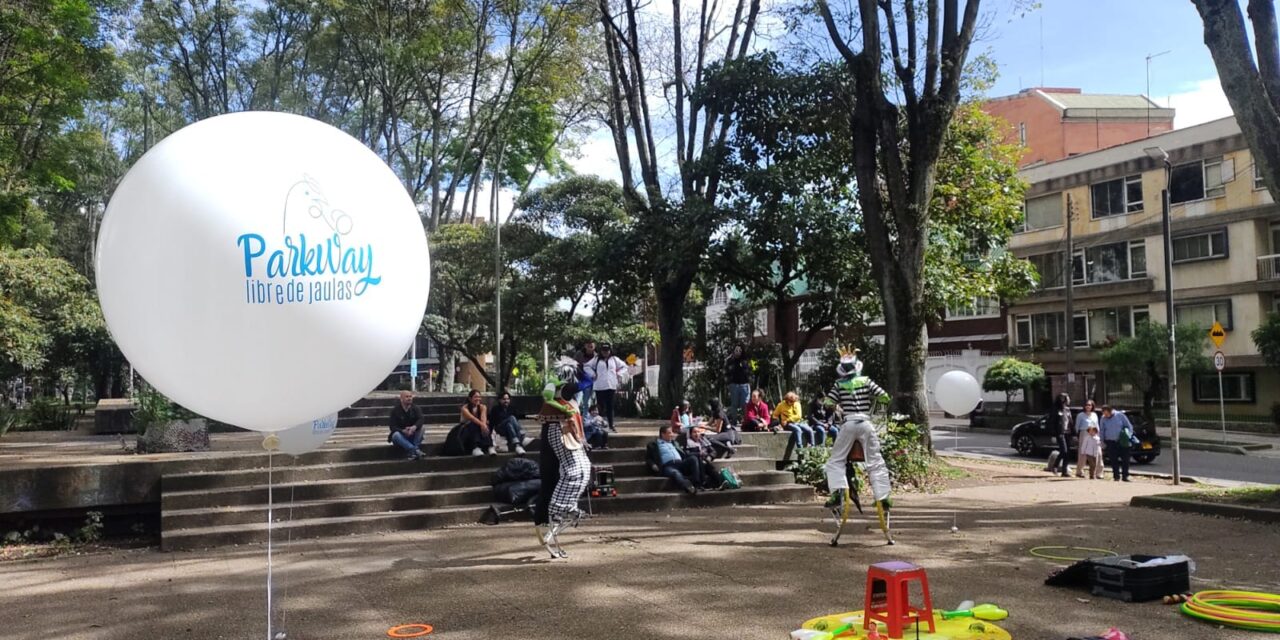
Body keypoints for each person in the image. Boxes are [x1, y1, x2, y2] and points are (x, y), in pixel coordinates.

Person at [821, 351, 891, 527]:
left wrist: (838, 403)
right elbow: (884, 396)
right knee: (875, 462)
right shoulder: (867, 381)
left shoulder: (839, 384)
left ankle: (837, 493)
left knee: (835, 461)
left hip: (849, 423)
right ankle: (883, 498)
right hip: (866, 423)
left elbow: (828, 403)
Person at [533, 382, 592, 559]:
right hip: (560, 438)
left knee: (578, 470)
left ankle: (565, 509)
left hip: (563, 444)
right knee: (572, 472)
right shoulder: (560, 407)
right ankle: (562, 511)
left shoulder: (566, 404)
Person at [645, 424, 704, 494]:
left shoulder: (674, 443)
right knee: (675, 473)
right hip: (668, 466)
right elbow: (648, 458)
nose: (672, 434)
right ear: (663, 434)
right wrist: (653, 465)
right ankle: (688, 487)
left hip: (680, 463)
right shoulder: (654, 445)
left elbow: (684, 453)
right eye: (669, 433)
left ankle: (697, 484)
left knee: (693, 459)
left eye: (672, 432)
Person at [584, 342, 628, 432]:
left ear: (610, 350)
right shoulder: (596, 359)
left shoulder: (614, 359)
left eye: (607, 351)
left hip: (611, 385)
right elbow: (586, 366)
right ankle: (600, 425)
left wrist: (618, 374)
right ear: (601, 351)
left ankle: (611, 425)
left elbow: (624, 366)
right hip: (599, 386)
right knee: (600, 407)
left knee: (610, 406)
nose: (605, 352)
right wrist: (593, 374)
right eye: (604, 351)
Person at [387, 390, 426, 460]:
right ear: (401, 399)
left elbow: (421, 419)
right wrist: (403, 431)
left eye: (410, 396)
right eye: (407, 397)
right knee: (395, 435)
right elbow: (392, 426)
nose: (409, 398)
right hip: (401, 436)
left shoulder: (416, 408)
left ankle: (413, 452)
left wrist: (413, 427)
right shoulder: (395, 410)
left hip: (412, 434)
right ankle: (414, 450)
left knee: (422, 428)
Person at [1099, 405, 1134, 482]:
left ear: (1111, 411)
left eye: (1106, 413)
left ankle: (1125, 476)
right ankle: (1116, 476)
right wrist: (1102, 441)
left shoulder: (1120, 415)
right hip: (1110, 442)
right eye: (1104, 414)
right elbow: (1102, 430)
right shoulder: (1103, 418)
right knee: (1113, 459)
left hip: (1122, 441)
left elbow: (1129, 426)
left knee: (1125, 459)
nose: (1105, 415)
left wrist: (1129, 436)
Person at [460, 390, 496, 457]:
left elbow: (483, 418)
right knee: (474, 424)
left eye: (479, 397)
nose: (478, 399)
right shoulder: (465, 408)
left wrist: (484, 425)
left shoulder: (483, 407)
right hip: (465, 428)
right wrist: (482, 425)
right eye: (475, 397)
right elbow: (472, 418)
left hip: (478, 426)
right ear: (470, 398)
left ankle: (490, 446)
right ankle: (475, 447)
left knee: (486, 425)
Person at [1045, 393, 1072, 478]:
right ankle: (1055, 466)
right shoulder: (1056, 409)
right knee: (1064, 451)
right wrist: (1053, 434)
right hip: (1060, 433)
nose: (1067, 400)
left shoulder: (1067, 410)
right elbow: (1052, 422)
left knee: (1067, 452)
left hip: (1068, 433)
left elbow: (1070, 422)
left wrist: (1074, 433)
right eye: (1065, 398)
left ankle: (1064, 471)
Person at [724, 344, 752, 423]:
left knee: (745, 404)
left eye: (740, 350)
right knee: (734, 404)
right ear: (734, 351)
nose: (738, 352)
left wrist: (750, 382)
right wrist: (728, 384)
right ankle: (734, 421)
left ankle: (746, 421)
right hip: (734, 385)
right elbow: (725, 373)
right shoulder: (729, 360)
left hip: (744, 385)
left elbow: (750, 372)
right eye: (736, 350)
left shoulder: (746, 360)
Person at [1074, 400, 1099, 478]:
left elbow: (1097, 425)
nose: (1088, 406)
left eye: (1090, 405)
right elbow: (1077, 426)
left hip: (1094, 434)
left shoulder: (1094, 415)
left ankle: (1096, 473)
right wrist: (1076, 435)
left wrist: (1098, 435)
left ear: (1092, 406)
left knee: (1096, 453)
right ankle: (1079, 471)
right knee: (1083, 453)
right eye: (1086, 405)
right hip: (1084, 433)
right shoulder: (1080, 415)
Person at [575, 340, 598, 412]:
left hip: (590, 382)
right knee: (577, 400)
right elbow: (573, 364)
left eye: (591, 345)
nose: (590, 346)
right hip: (579, 380)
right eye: (588, 344)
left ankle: (586, 419)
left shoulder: (596, 356)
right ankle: (575, 416)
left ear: (594, 346)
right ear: (585, 346)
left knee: (587, 402)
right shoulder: (579, 354)